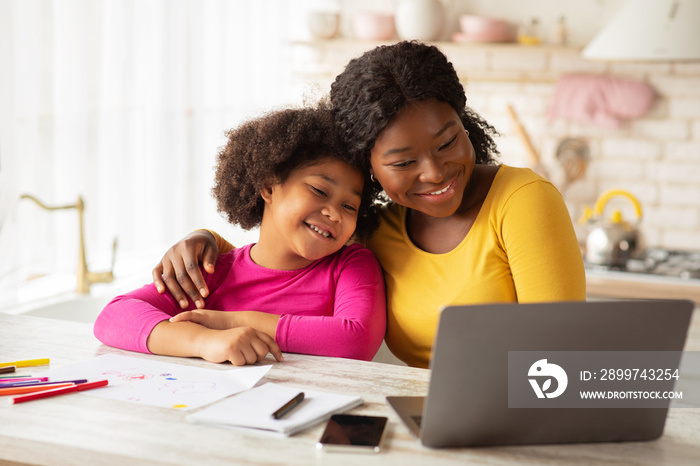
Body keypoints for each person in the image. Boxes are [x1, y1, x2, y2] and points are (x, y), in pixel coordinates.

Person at [152, 41, 586, 369]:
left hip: (517, 417)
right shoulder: (376, 226)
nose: (435, 172)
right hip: (421, 420)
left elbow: (562, 356)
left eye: (449, 141)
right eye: (403, 162)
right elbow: (281, 255)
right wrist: (205, 239)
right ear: (370, 168)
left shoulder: (523, 201)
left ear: (464, 123)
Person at [94, 106, 386, 366]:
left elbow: (355, 340)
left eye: (350, 206)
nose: (335, 213)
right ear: (269, 186)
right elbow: (113, 318)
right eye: (319, 191)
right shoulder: (212, 271)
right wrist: (205, 341)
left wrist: (232, 321)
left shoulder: (350, 265)